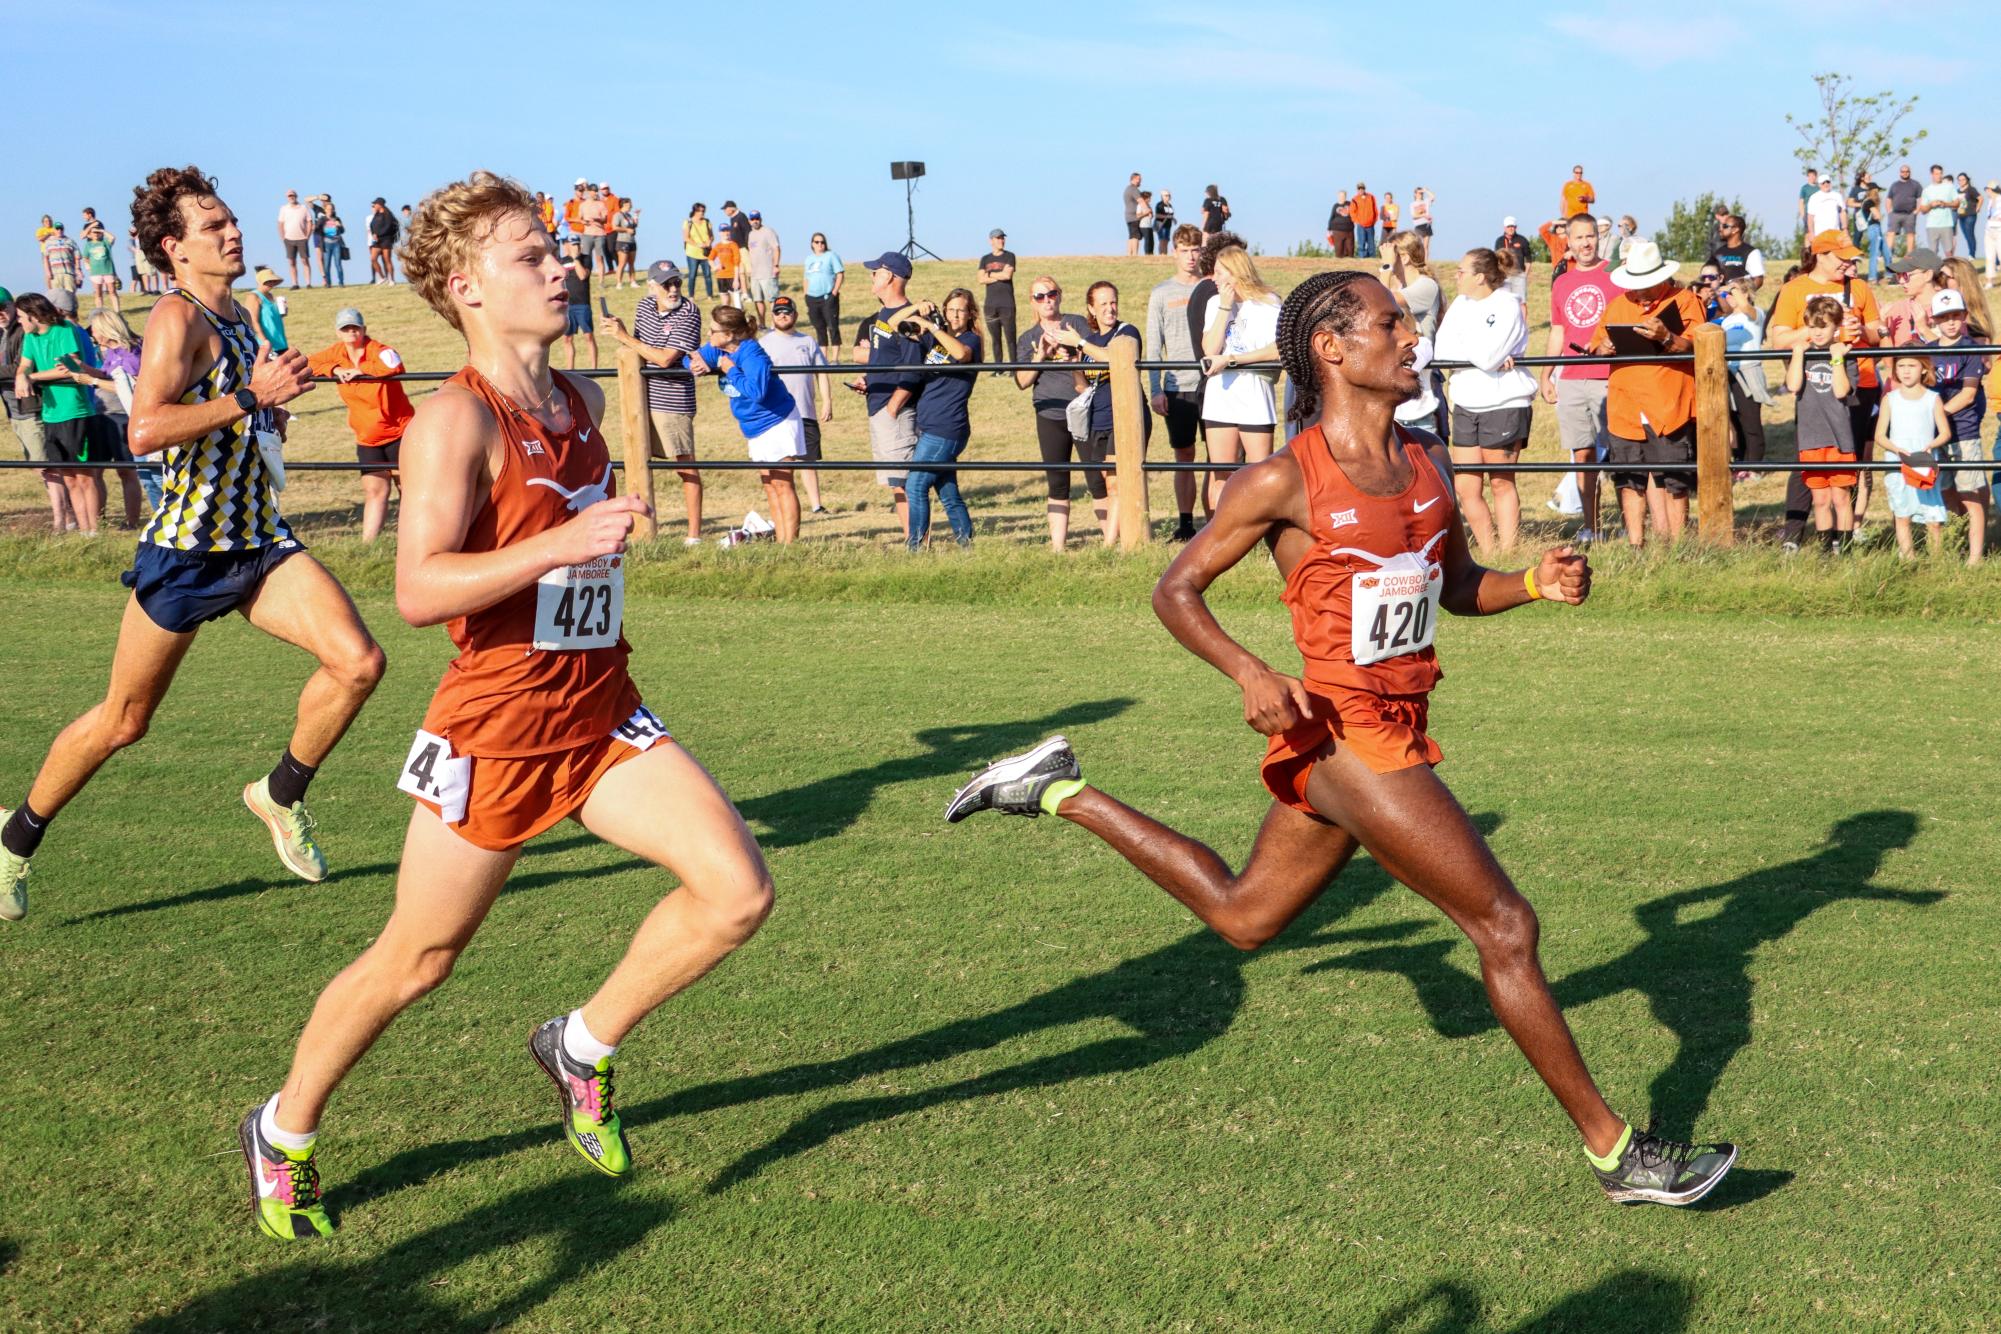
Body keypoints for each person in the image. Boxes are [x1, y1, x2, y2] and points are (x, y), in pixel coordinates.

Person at [945, 270, 1737, 1210]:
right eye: (1390, 322)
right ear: (1331, 347)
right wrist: (1248, 670)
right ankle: (1619, 1157)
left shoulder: (1429, 462)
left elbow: (1452, 585)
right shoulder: (1282, 477)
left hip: (1390, 729)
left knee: (1244, 918)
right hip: (1351, 740)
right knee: (1506, 927)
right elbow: (1173, 589)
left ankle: (1053, 788)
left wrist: (1531, 584)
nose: (1411, 336)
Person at [241, 171, 775, 1241]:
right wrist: (562, 543)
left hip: (600, 709)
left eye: (552, 249)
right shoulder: (452, 420)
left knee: (736, 893)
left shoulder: (571, 398)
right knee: (419, 959)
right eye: (531, 254)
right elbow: (417, 586)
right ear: (465, 284)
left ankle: (581, 1044)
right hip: (497, 731)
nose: (559, 264)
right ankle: (283, 1126)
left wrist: (585, 554)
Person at [0, 165, 385, 924]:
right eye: (214, 227)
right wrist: (248, 398)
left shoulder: (239, 313)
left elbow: (239, 414)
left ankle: (279, 795)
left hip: (258, 540)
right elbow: (145, 429)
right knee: (123, 722)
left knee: (359, 662)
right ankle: (13, 844)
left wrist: (270, 403)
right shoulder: (178, 320)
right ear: (175, 248)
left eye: (232, 220)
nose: (234, 231)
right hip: (187, 551)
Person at [1766, 230, 1885, 550]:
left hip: (1859, 382)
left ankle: (1841, 540)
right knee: (1808, 457)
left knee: (1849, 461)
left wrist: (1865, 331)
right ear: (1820, 255)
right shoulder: (1793, 289)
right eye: (1841, 257)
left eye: (1851, 258)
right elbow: (1778, 340)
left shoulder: (1859, 287)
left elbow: (1876, 332)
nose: (1848, 263)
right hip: (1812, 388)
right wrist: (1818, 330)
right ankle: (1795, 532)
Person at [1589, 239, 1704, 548]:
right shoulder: (1618, 305)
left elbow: (1699, 345)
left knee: (1674, 479)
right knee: (1629, 479)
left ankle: (1677, 548)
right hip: (1625, 406)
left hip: (1670, 404)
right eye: (1636, 286)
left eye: (1648, 286)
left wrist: (1667, 337)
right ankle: (1636, 545)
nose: (1641, 293)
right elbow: (1595, 345)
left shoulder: (1685, 300)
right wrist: (1602, 349)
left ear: (1662, 279)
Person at [1435, 249, 1534, 553]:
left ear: (1479, 276)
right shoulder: (1459, 306)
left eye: (1462, 271)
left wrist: (1473, 347)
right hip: (1465, 402)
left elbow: (1488, 358)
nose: (1457, 276)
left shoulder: (1507, 304)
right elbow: (1442, 353)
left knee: (1501, 482)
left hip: (1503, 403)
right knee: (1466, 487)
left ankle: (1508, 550)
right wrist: (1481, 350)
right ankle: (1488, 552)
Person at [607, 260, 705, 543]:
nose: (673, 289)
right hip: (640, 397)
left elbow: (663, 359)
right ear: (652, 287)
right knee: (638, 462)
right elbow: (643, 348)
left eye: (677, 283)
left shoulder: (689, 312)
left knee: (685, 466)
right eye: (666, 284)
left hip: (673, 400)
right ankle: (642, 529)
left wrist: (623, 337)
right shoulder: (644, 308)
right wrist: (627, 336)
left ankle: (694, 535)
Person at [691, 304, 805, 543]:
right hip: (754, 427)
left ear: (729, 334)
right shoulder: (719, 349)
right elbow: (692, 357)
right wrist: (695, 365)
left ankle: (790, 546)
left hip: (777, 421)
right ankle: (781, 543)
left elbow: (757, 391)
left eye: (713, 331)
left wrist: (731, 370)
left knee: (783, 484)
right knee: (769, 485)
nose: (708, 336)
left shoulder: (752, 354)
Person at [306, 307, 414, 542]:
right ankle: (368, 544)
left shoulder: (379, 350)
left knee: (407, 490)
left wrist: (360, 371)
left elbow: (393, 365)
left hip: (399, 431)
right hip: (367, 436)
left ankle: (412, 541)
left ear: (364, 329)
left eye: (355, 327)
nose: (351, 332)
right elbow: (309, 363)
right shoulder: (336, 354)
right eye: (346, 328)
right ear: (338, 332)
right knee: (375, 491)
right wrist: (334, 369)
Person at [1540, 214, 1615, 542]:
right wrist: (1547, 374)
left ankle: (1632, 522)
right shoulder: (1562, 282)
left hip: (1609, 376)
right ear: (1567, 242)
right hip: (1571, 376)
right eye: (1579, 238)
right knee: (1582, 454)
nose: (1586, 243)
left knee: (1620, 455)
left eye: (1591, 236)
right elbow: (1558, 330)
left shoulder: (1615, 273)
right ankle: (1592, 526)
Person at [11, 292, 108, 535]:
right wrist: (22, 375)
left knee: (85, 476)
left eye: (22, 317)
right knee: (69, 478)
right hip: (51, 415)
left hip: (76, 412)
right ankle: (83, 531)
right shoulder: (31, 337)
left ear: (34, 316)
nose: (19, 321)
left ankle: (94, 531)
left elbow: (68, 368)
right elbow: (24, 364)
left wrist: (31, 377)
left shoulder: (64, 330)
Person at [1199, 247, 1284, 518]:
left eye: (1219, 272)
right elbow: (1210, 349)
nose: (1213, 277)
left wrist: (1233, 359)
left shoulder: (1268, 303)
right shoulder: (1215, 304)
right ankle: (1217, 537)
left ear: (1235, 273)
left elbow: (1277, 350)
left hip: (1255, 393)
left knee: (1259, 472)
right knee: (1220, 472)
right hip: (1220, 396)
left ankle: (1262, 536)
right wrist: (1224, 307)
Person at [1013, 275, 1091, 551]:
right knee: (1057, 481)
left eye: (1051, 294)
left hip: (1083, 409)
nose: (1047, 300)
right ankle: (1058, 548)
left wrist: (1075, 353)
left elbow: (1094, 356)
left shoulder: (1077, 323)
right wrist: (1041, 355)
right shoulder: (1028, 338)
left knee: (1098, 477)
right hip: (1049, 412)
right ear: (1032, 302)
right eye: (1040, 296)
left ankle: (1110, 542)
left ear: (1060, 295)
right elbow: (1022, 381)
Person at [852, 251, 925, 539]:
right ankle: (912, 540)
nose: (871, 276)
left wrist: (893, 405)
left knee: (905, 483)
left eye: (876, 272)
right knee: (896, 483)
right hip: (879, 405)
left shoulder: (908, 318)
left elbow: (914, 368)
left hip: (894, 411)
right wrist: (869, 379)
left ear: (890, 277)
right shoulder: (884, 315)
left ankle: (917, 543)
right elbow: (887, 360)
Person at [1146, 224, 1210, 540]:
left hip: (1212, 383)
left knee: (1220, 456)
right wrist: (1156, 391)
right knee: (1183, 455)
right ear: (1175, 252)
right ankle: (1185, 524)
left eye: (1195, 250)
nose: (1190, 257)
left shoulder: (1213, 287)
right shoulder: (1161, 293)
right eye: (1184, 250)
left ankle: (1217, 523)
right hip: (1177, 386)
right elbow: (1152, 346)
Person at [903, 289, 979, 549]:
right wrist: (918, 308)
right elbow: (892, 325)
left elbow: (961, 355)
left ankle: (915, 550)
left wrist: (932, 328)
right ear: (944, 312)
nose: (955, 314)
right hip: (929, 425)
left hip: (946, 427)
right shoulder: (934, 340)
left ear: (970, 314)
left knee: (915, 486)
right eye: (951, 309)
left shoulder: (972, 339)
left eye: (961, 310)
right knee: (947, 492)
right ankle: (967, 548)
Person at [1785, 297, 1859, 553]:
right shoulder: (1803, 355)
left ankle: (1846, 547)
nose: (1817, 332)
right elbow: (1793, 386)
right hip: (1811, 438)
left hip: (1839, 438)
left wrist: (1837, 358)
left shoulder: (1846, 356)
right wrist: (1796, 355)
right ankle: (1826, 549)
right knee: (1820, 499)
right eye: (1813, 327)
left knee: (1840, 496)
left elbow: (1841, 391)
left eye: (1823, 327)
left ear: (1836, 327)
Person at [1921, 288, 1990, 565]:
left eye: (1955, 315)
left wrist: (1937, 414)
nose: (1950, 322)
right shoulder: (1927, 352)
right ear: (1934, 320)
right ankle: (1957, 545)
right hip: (1936, 437)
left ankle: (1975, 558)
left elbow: (1968, 394)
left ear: (1964, 316)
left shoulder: (1971, 349)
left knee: (1970, 494)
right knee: (1946, 492)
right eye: (1944, 317)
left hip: (1963, 432)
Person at [0, 286, 74, 532]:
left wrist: (22, 376)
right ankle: (68, 515)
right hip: (15, 409)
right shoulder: (5, 334)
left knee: (47, 467)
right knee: (41, 467)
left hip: (32, 406)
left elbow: (20, 367)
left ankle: (63, 521)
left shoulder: (23, 332)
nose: (1, 314)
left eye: (4, 308)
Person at [69, 307, 151, 524]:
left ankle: (132, 520)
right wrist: (82, 368)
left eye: (94, 330)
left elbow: (130, 387)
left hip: (125, 415)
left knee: (130, 470)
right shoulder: (111, 352)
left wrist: (93, 382)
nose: (92, 335)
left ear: (106, 328)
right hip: (103, 412)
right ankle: (101, 521)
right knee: (98, 469)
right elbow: (106, 374)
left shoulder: (134, 352)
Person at [758, 295, 834, 516]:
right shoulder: (763, 343)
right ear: (772, 316)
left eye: (787, 312)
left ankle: (816, 505)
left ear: (796, 315)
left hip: (805, 410)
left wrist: (827, 401)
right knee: (779, 460)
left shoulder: (807, 341)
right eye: (778, 312)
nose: (783, 315)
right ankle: (780, 503)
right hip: (776, 414)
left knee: (808, 460)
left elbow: (822, 373)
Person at [1874, 352, 1950, 559]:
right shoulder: (1890, 399)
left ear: (1924, 368)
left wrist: (1931, 446)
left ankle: (1936, 561)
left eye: (1912, 366)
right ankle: (1908, 559)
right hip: (1897, 461)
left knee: (1933, 517)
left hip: (1924, 462)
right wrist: (1897, 449)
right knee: (1902, 513)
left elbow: (1945, 432)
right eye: (1901, 366)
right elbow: (1880, 435)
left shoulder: (1932, 398)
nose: (1906, 371)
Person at [1718, 279, 1771, 474]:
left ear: (1746, 293)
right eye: (1727, 294)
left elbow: (1748, 310)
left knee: (1750, 420)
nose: (1729, 297)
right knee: (1735, 420)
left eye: (1734, 292)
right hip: (1729, 373)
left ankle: (1755, 466)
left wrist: (1735, 292)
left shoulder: (1755, 315)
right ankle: (1740, 463)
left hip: (1748, 372)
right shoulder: (1726, 320)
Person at [976, 229, 1016, 378]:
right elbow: (980, 279)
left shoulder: (1010, 256)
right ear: (991, 240)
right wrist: (997, 275)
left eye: (1002, 238)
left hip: (1007, 304)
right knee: (995, 338)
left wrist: (990, 274)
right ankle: (998, 368)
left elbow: (1007, 275)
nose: (1001, 241)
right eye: (998, 238)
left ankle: (1014, 368)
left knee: (1010, 338)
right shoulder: (985, 259)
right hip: (990, 305)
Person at [804, 232, 845, 359]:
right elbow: (806, 278)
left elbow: (840, 274)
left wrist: (834, 291)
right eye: (817, 242)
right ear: (812, 244)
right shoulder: (809, 259)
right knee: (819, 327)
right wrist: (805, 294)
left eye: (822, 242)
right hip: (812, 298)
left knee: (832, 326)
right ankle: (824, 358)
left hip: (828, 297)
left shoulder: (831, 256)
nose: (820, 244)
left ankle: (835, 359)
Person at [558, 237, 597, 370]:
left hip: (582, 304)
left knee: (589, 336)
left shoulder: (585, 259)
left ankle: (594, 369)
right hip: (567, 305)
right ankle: (570, 370)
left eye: (577, 244)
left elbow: (582, 276)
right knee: (567, 339)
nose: (576, 247)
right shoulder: (561, 261)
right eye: (572, 244)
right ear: (567, 245)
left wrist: (576, 259)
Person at [1707, 214, 1766, 291]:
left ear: (1735, 229)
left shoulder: (1751, 252)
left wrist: (1743, 296)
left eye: (1725, 226)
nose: (1720, 229)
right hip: (1720, 300)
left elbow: (1758, 280)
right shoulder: (1718, 253)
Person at [744, 211, 781, 324]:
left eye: (757, 219)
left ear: (760, 219)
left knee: (772, 299)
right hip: (755, 274)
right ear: (750, 221)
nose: (755, 221)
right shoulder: (750, 234)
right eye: (753, 219)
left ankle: (776, 323)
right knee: (758, 300)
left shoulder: (768, 232)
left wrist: (776, 265)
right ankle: (762, 324)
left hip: (768, 272)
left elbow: (776, 248)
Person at [1852, 172, 1889, 283]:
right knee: (1874, 253)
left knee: (1886, 252)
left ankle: (1889, 274)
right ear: (1874, 191)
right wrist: (1879, 215)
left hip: (1875, 228)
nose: (1878, 193)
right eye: (1877, 191)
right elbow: (1877, 216)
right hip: (1873, 228)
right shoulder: (1869, 202)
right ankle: (1872, 277)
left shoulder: (1868, 202)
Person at [79, 217, 118, 310]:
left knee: (112, 291)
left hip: (108, 270)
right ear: (90, 234)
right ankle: (100, 311)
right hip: (96, 272)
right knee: (98, 293)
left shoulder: (105, 242)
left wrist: (102, 230)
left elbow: (113, 238)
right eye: (94, 232)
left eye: (97, 232)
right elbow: (85, 257)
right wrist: (88, 265)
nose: (96, 234)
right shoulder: (88, 245)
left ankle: (117, 311)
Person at [277, 190, 313, 288]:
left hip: (302, 238)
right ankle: (295, 283)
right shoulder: (284, 209)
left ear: (296, 196)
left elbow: (309, 221)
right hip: (289, 239)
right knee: (291, 262)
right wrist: (283, 237)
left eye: (292, 195)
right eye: (289, 196)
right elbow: (280, 223)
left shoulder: (303, 208)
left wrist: (308, 235)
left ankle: (308, 283)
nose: (291, 197)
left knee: (305, 260)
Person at [1884, 165, 1922, 259]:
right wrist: (1889, 211)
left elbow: (1921, 198)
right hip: (1895, 214)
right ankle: (1888, 253)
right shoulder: (1895, 185)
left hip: (1909, 214)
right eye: (1903, 171)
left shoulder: (1915, 184)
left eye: (1907, 171)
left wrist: (1917, 210)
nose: (1905, 173)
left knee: (1910, 234)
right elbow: (1889, 198)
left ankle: (1909, 255)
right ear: (1900, 172)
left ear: (1910, 172)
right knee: (1891, 233)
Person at [1920, 165, 1959, 258]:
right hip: (1932, 225)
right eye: (1936, 174)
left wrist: (1945, 204)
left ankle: (1950, 271)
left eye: (1940, 173)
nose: (1939, 176)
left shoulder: (1949, 187)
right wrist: (1931, 205)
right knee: (1932, 253)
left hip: (1947, 224)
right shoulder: (1927, 190)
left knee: (1949, 252)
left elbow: (1957, 203)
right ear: (1932, 174)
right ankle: (1933, 272)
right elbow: (1923, 210)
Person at [251, 265, 289, 354]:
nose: (271, 283)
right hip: (267, 347)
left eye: (273, 281)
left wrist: (283, 313)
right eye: (268, 281)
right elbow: (253, 321)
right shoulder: (254, 296)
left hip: (281, 343)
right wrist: (265, 342)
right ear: (260, 281)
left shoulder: (270, 296)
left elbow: (271, 319)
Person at [682, 202, 715, 298]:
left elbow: (712, 236)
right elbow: (686, 238)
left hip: (705, 253)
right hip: (692, 253)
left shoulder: (707, 222)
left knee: (708, 275)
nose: (702, 213)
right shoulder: (688, 222)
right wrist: (698, 245)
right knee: (692, 275)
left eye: (703, 211)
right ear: (694, 211)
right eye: (699, 211)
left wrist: (709, 242)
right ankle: (691, 296)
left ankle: (710, 295)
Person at [41, 221, 80, 296]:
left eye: (61, 229)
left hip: (69, 272)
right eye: (57, 229)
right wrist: (48, 272)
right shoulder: (48, 242)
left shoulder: (70, 241)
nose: (59, 231)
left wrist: (78, 270)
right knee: (57, 295)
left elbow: (77, 256)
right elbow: (46, 258)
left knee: (70, 293)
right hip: (55, 273)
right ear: (54, 230)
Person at [710, 229, 743, 311]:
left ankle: (740, 320)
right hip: (721, 276)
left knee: (737, 303)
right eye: (723, 231)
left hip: (732, 276)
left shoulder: (733, 245)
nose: (726, 233)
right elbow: (710, 258)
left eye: (728, 230)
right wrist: (715, 267)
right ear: (720, 233)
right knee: (725, 302)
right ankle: (726, 320)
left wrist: (736, 279)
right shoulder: (717, 246)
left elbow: (737, 263)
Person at [1804, 173, 1846, 238]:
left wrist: (1845, 228)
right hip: (1820, 233)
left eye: (1828, 182)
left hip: (1835, 232)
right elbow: (1810, 217)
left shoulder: (1837, 196)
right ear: (1819, 185)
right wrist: (1811, 232)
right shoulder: (1814, 198)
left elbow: (1842, 212)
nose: (1826, 184)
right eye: (1823, 183)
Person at [367, 198, 398, 284]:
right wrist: (373, 234)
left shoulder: (388, 215)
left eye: (375, 204)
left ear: (380, 204)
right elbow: (371, 225)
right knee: (373, 259)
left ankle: (392, 279)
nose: (374, 206)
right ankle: (382, 277)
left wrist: (379, 234)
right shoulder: (376, 214)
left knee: (387, 260)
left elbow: (388, 227)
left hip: (386, 240)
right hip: (377, 241)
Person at [317, 199, 347, 287]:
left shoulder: (337, 219)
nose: (330, 211)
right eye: (328, 209)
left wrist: (339, 225)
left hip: (336, 243)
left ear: (333, 210)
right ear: (325, 210)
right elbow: (317, 230)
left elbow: (343, 231)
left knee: (338, 264)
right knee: (326, 265)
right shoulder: (322, 219)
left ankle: (341, 283)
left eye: (331, 209)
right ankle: (328, 283)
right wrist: (320, 228)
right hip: (326, 244)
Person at [610, 198, 639, 288]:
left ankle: (633, 281)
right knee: (622, 263)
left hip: (631, 241)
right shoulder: (618, 215)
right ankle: (619, 282)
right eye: (630, 203)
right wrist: (626, 229)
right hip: (622, 241)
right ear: (624, 204)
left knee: (631, 263)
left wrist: (636, 216)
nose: (631, 205)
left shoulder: (629, 215)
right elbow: (614, 227)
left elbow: (634, 225)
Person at [1953, 172, 1979, 261]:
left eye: (1963, 179)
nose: (1961, 181)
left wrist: (1977, 208)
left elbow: (1981, 199)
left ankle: (1972, 254)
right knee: (1966, 235)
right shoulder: (1957, 191)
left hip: (1970, 215)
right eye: (1959, 180)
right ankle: (1971, 253)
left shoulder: (1971, 189)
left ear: (1967, 180)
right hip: (1961, 216)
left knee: (1969, 234)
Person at [1350, 183, 1378, 260]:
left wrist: (1373, 221)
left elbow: (1375, 210)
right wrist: (1357, 221)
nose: (1361, 190)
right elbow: (1352, 212)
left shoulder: (1371, 197)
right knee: (1361, 243)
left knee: (1371, 243)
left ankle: (1372, 259)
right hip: (1360, 225)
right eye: (1359, 188)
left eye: (1362, 188)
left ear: (1364, 188)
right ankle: (1362, 258)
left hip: (1370, 225)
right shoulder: (1354, 199)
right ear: (1357, 190)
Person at [1325, 191, 1355, 258]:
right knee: (1339, 249)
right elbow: (1331, 217)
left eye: (1343, 196)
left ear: (1346, 196)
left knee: (1350, 249)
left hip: (1349, 230)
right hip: (1337, 231)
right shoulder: (1335, 206)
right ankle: (1339, 262)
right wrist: (1329, 229)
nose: (1342, 197)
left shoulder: (1350, 204)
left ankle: (1350, 262)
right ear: (1338, 197)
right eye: (1341, 196)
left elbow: (1355, 213)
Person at [1984, 181, 2001, 288]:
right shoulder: (1990, 201)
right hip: (1989, 231)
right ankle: (1990, 281)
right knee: (1989, 257)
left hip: (1999, 230)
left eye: (1987, 189)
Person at [1123, 172, 1144, 257]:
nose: (1140, 181)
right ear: (1134, 179)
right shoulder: (1133, 189)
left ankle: (1129, 254)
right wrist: (1148, 210)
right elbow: (1141, 201)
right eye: (1139, 179)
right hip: (1134, 216)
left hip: (1128, 216)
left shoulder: (1128, 189)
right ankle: (1135, 254)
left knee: (1131, 236)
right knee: (1135, 236)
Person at [1409, 186, 1434, 257]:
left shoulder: (1425, 201)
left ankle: (1425, 263)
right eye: (1419, 193)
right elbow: (1413, 216)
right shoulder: (1412, 204)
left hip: (1426, 224)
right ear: (1415, 194)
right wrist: (1423, 216)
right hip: (1418, 225)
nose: (1420, 195)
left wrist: (1426, 191)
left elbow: (1433, 197)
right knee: (1418, 245)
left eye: (1421, 193)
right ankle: (1418, 260)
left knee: (1426, 246)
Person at [1136, 191, 1156, 256]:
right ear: (1145, 198)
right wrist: (1146, 213)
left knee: (1151, 241)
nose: (1150, 199)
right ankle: (1147, 254)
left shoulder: (1148, 205)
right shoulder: (1140, 205)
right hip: (1143, 226)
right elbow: (1138, 216)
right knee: (1147, 241)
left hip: (1149, 225)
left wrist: (1151, 214)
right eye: (1149, 197)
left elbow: (1150, 215)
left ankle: (1151, 254)